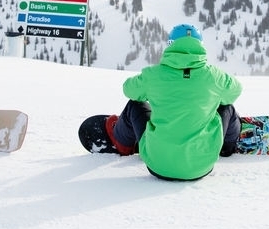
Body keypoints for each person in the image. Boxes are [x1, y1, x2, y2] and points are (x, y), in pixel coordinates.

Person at [103, 23, 244, 181]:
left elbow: (128, 90)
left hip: (158, 164)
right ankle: (227, 147)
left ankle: (122, 142)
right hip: (201, 166)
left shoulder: (153, 75)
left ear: (170, 45)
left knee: (134, 105)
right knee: (227, 108)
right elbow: (235, 91)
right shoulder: (214, 77)